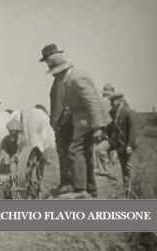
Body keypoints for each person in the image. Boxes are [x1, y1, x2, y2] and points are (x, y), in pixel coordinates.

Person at [40, 43, 109, 199]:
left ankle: (80, 190)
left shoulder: (77, 78)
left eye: (56, 73)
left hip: (86, 122)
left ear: (62, 70)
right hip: (81, 121)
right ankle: (87, 190)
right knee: (82, 153)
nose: (54, 76)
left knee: (75, 150)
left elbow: (93, 101)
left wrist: (99, 127)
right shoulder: (68, 79)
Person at [96, 92, 137, 196]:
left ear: (119, 100)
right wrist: (104, 132)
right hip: (115, 141)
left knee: (126, 168)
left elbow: (132, 130)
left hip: (124, 143)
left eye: (112, 101)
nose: (111, 103)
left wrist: (130, 145)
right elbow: (111, 125)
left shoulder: (127, 112)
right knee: (100, 148)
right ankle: (107, 172)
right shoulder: (113, 112)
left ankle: (128, 190)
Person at [94, 84, 116, 176]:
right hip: (114, 129)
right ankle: (112, 164)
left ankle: (104, 168)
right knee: (111, 147)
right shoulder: (115, 103)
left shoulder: (99, 102)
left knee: (100, 146)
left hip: (103, 127)